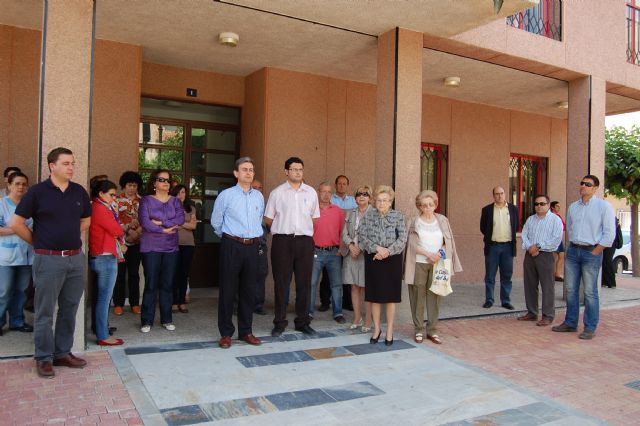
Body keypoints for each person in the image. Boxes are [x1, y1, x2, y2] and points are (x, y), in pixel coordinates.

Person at [11, 147, 92, 378]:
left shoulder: (79, 192)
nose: (71, 167)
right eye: (66, 163)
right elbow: (16, 223)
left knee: (70, 309)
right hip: (48, 260)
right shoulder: (37, 192)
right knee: (45, 312)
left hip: (75, 259)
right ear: (52, 166)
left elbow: (86, 219)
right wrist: (37, 242)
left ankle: (62, 353)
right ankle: (44, 357)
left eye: (72, 163)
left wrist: (73, 237)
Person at [552, 175, 615, 340]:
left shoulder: (604, 207)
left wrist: (596, 250)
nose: (583, 186)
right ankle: (570, 323)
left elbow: (609, 234)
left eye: (588, 184)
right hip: (573, 251)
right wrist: (571, 247)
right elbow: (571, 229)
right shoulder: (573, 207)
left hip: (591, 252)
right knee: (571, 289)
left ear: (595, 188)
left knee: (589, 291)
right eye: (582, 183)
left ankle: (589, 327)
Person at [211, 157, 264, 348]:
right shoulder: (226, 195)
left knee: (249, 290)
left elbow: (258, 220)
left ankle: (246, 331)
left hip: (252, 247)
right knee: (228, 290)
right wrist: (229, 238)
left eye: (251, 169)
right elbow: (216, 222)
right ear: (236, 173)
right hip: (232, 245)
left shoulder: (258, 196)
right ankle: (226, 333)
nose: (249, 173)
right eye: (244, 169)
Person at [265, 157, 320, 337]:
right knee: (282, 283)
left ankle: (302, 322)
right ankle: (279, 322)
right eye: (294, 169)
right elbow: (268, 219)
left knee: (304, 283)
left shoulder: (311, 192)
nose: (298, 172)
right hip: (283, 241)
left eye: (300, 169)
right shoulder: (277, 193)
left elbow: (314, 218)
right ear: (286, 172)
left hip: (304, 242)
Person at [405, 190, 462, 345]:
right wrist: (427, 254)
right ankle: (418, 329)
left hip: (438, 263)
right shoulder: (413, 221)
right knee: (417, 296)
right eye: (424, 205)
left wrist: (438, 254)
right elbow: (410, 244)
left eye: (431, 204)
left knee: (435, 295)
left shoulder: (442, 220)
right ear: (419, 206)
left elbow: (447, 241)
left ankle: (432, 329)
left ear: (435, 205)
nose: (428, 207)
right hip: (419, 262)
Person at [358, 185, 407, 346]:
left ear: (391, 201)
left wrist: (388, 251)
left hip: (392, 260)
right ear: (375, 201)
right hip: (373, 259)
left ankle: (390, 330)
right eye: (379, 200)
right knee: (375, 297)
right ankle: (377, 329)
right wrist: (377, 249)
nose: (381, 203)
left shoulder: (398, 216)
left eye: (385, 200)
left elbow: (402, 239)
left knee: (390, 297)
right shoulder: (368, 216)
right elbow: (362, 236)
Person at [138, 169, 185, 333]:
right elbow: (145, 221)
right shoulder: (146, 200)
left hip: (171, 247)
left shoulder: (176, 201)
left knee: (167, 284)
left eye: (167, 180)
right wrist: (163, 229)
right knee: (151, 283)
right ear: (154, 183)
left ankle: (166, 319)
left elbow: (181, 219)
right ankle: (146, 321)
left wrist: (160, 222)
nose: (165, 182)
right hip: (151, 246)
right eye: (161, 179)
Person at [89, 180, 126, 346]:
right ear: (101, 194)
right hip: (105, 257)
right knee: (104, 299)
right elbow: (117, 230)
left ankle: (101, 330)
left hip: (101, 256)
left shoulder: (98, 207)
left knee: (101, 298)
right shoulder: (100, 208)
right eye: (111, 195)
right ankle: (103, 335)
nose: (114, 198)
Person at [518, 194, 563, 326]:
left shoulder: (555, 220)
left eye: (542, 204)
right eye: (536, 204)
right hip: (530, 255)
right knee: (530, 285)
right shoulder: (531, 219)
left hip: (545, 255)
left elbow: (556, 239)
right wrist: (529, 247)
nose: (538, 206)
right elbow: (524, 234)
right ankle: (532, 313)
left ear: (548, 205)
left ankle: (548, 315)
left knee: (547, 286)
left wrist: (538, 246)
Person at [0, 172, 34, 336]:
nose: (21, 187)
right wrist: (17, 228)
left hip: (26, 255)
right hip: (6, 256)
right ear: (9, 185)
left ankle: (17, 321)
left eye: (24, 184)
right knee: (4, 291)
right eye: (17, 184)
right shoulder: (2, 204)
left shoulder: (30, 205)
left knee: (21, 290)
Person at [309, 182, 346, 324]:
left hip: (333, 253)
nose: (326, 194)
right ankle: (309, 312)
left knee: (336, 284)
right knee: (311, 283)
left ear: (332, 194)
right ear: (318, 192)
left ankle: (338, 312)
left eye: (329, 192)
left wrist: (341, 250)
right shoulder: (312, 210)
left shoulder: (338, 211)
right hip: (315, 251)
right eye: (323, 191)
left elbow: (343, 232)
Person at [480, 186, 519, 310]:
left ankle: (505, 300)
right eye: (497, 194)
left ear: (505, 194)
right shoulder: (487, 210)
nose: (500, 196)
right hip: (493, 247)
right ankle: (489, 300)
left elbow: (516, 225)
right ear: (493, 195)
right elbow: (483, 228)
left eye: (502, 193)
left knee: (506, 275)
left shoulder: (513, 209)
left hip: (508, 247)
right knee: (490, 275)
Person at [340, 185, 373, 331]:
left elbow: (375, 235)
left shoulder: (374, 213)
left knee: (366, 287)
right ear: (355, 197)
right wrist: (351, 245)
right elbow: (344, 233)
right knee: (354, 286)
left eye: (365, 194)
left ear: (370, 197)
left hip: (366, 255)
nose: (362, 196)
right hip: (351, 253)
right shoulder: (349, 212)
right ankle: (357, 317)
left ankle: (368, 320)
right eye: (359, 194)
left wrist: (362, 247)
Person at [113, 171, 144, 315]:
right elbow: (113, 220)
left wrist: (137, 233)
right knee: (119, 273)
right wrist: (127, 231)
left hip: (137, 242)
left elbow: (146, 220)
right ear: (124, 186)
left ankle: (135, 303)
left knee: (134, 274)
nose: (132, 188)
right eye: (129, 185)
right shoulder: (116, 200)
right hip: (120, 242)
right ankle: (118, 303)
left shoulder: (143, 201)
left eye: (135, 185)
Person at [170, 184, 197, 314]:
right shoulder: (169, 207)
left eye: (183, 192)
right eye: (179, 193)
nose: (181, 195)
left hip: (188, 244)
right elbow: (169, 223)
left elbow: (193, 226)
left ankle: (182, 301)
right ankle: (173, 301)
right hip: (173, 244)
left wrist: (180, 224)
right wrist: (186, 224)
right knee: (173, 273)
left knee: (184, 274)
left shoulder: (190, 208)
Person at [251, 179, 269, 316]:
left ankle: (258, 304)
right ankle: (238, 305)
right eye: (255, 187)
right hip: (245, 245)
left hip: (261, 245)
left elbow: (270, 225)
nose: (258, 190)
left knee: (261, 275)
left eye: (260, 187)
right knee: (242, 275)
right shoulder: (244, 203)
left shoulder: (266, 207)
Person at [601, 217, 622, 289]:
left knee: (607, 261)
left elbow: (610, 231)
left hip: (611, 244)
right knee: (604, 262)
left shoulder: (612, 219)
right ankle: (604, 282)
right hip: (605, 243)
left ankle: (612, 283)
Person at [550, 201, 566, 281]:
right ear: (552, 207)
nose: (559, 208)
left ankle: (557, 274)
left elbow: (564, 226)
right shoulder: (551, 216)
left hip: (559, 239)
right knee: (554, 257)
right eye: (557, 206)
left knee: (560, 256)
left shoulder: (558, 216)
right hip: (554, 239)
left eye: (559, 206)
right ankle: (554, 274)